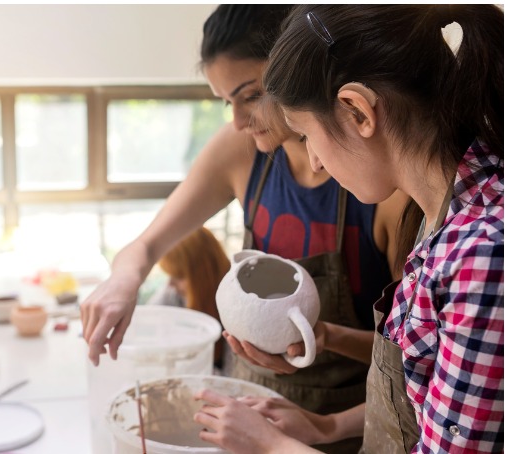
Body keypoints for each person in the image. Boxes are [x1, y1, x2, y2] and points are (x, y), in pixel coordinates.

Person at [81, 5, 407, 450]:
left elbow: (413, 362)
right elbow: (145, 246)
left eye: (250, 95)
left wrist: (323, 366)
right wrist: (124, 278)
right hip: (245, 408)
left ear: (296, 68)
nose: (236, 120)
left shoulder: (379, 184)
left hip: (344, 425)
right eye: (225, 102)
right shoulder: (242, 152)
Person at [194, 5, 503, 453]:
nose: (315, 162)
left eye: (306, 136)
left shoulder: (481, 254)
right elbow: (431, 396)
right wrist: (324, 428)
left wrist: (271, 446)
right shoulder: (442, 214)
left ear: (357, 112)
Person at [148, 226, 230, 368]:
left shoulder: (232, 306)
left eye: (179, 276)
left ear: (203, 273)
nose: (170, 284)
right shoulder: (171, 297)